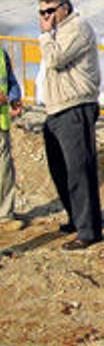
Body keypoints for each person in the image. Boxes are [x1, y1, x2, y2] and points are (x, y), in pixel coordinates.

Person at [37, 0, 103, 250]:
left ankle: (89, 230)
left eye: (50, 11)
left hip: (75, 107)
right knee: (60, 170)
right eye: (42, 13)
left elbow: (55, 59)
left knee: (79, 171)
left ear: (64, 7)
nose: (46, 17)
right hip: (55, 109)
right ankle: (76, 218)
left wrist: (44, 35)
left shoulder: (77, 27)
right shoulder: (55, 34)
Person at [0, 47, 23, 231]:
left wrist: (15, 98)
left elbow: (9, 78)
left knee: (4, 168)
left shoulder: (1, 52)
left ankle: (5, 214)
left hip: (2, 121)